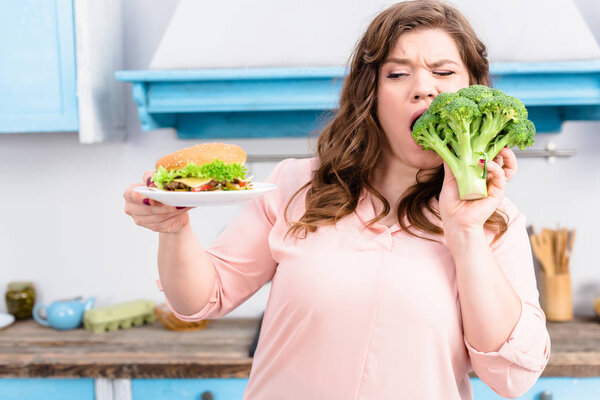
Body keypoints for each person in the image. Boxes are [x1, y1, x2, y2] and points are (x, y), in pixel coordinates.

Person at [123, 1, 550, 398]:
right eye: (397, 74)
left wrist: (465, 232)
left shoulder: (496, 222)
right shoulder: (296, 184)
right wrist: (175, 229)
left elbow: (511, 377)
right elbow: (201, 298)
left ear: (473, 87)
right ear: (372, 95)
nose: (423, 89)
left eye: (444, 73)